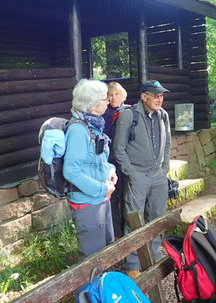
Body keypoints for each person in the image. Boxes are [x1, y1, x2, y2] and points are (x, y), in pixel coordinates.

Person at [113, 79, 171, 279]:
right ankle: (133, 263)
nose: (159, 99)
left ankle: (154, 255)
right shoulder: (129, 115)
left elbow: (167, 144)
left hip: (158, 176)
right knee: (133, 219)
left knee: (157, 217)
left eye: (161, 95)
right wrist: (132, 173)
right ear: (144, 97)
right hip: (138, 176)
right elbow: (119, 149)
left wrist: (164, 168)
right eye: (155, 95)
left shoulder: (163, 116)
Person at [63, 79, 118, 259]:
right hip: (87, 203)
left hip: (100, 199)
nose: (108, 101)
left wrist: (110, 169)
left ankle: (102, 287)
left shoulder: (94, 125)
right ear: (93, 105)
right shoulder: (79, 130)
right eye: (104, 99)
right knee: (91, 260)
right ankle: (87, 288)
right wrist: (102, 188)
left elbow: (97, 159)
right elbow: (71, 170)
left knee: (106, 252)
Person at [102, 81, 130, 238]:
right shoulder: (104, 113)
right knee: (114, 195)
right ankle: (116, 232)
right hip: (110, 161)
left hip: (126, 159)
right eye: (110, 95)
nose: (113, 98)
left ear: (123, 95)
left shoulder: (129, 110)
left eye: (116, 94)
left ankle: (128, 228)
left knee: (127, 193)